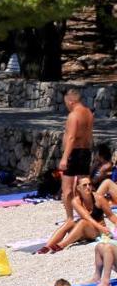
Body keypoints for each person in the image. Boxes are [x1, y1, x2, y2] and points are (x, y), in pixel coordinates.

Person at [39, 176, 111, 253]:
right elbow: (86, 217)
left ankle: (62, 245)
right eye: (85, 185)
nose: (88, 187)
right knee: (69, 223)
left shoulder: (98, 198)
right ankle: (46, 247)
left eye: (89, 184)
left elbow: (111, 215)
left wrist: (104, 227)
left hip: (98, 231)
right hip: (85, 231)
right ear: (78, 188)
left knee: (82, 222)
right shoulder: (76, 201)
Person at [61, 87, 94, 223]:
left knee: (67, 190)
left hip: (74, 153)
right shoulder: (89, 113)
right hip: (86, 151)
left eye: (66, 103)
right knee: (85, 187)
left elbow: (71, 138)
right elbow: (90, 135)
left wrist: (64, 157)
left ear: (70, 101)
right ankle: (90, 214)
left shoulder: (73, 115)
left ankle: (69, 218)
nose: (66, 106)